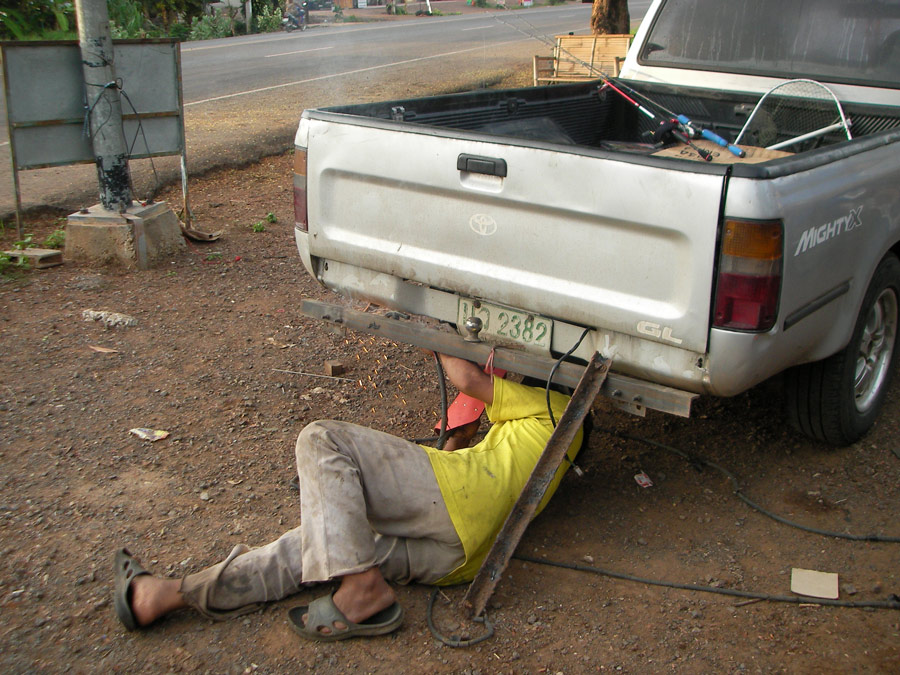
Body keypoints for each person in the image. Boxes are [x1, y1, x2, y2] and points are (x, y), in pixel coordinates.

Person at [114, 353, 584, 641]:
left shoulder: (555, 406)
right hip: (462, 559)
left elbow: (466, 379)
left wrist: (438, 330)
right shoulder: (557, 436)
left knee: (321, 439)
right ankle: (168, 595)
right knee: (319, 541)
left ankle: (362, 589)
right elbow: (461, 437)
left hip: (458, 500)